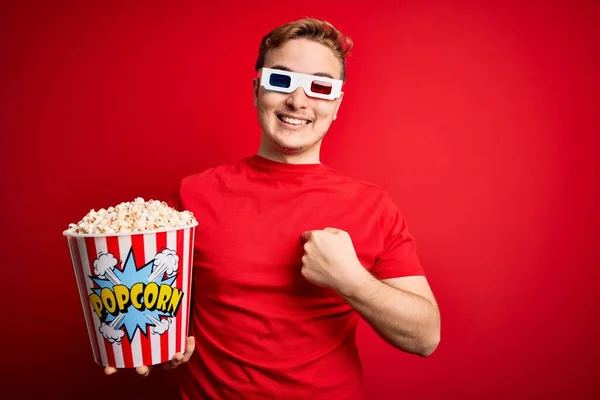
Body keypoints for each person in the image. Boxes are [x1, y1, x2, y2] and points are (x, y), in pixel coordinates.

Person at [106, 17, 440, 399]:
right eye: (281, 81)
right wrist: (150, 341)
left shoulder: (373, 207)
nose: (298, 101)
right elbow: (161, 309)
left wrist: (351, 280)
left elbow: (426, 337)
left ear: (336, 103)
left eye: (319, 87)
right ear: (256, 90)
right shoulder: (191, 195)